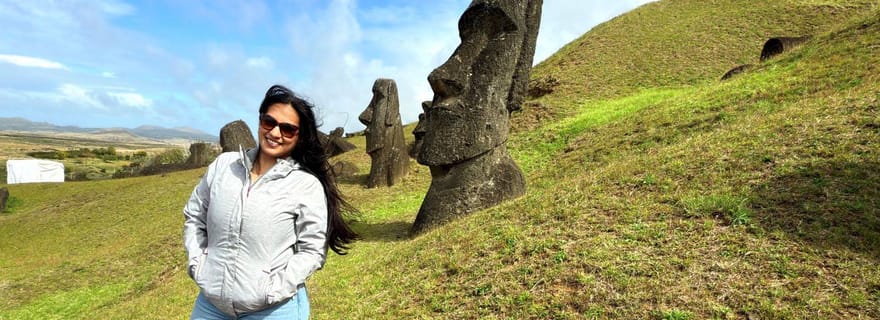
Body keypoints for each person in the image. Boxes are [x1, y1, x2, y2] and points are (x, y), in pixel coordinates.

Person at [183, 84, 358, 319]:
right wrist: (198, 264)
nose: (275, 133)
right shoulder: (224, 166)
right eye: (269, 122)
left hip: (272, 310)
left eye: (287, 129)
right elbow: (195, 216)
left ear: (299, 136)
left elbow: (312, 250)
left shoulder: (304, 185)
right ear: (260, 120)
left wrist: (273, 290)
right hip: (211, 307)